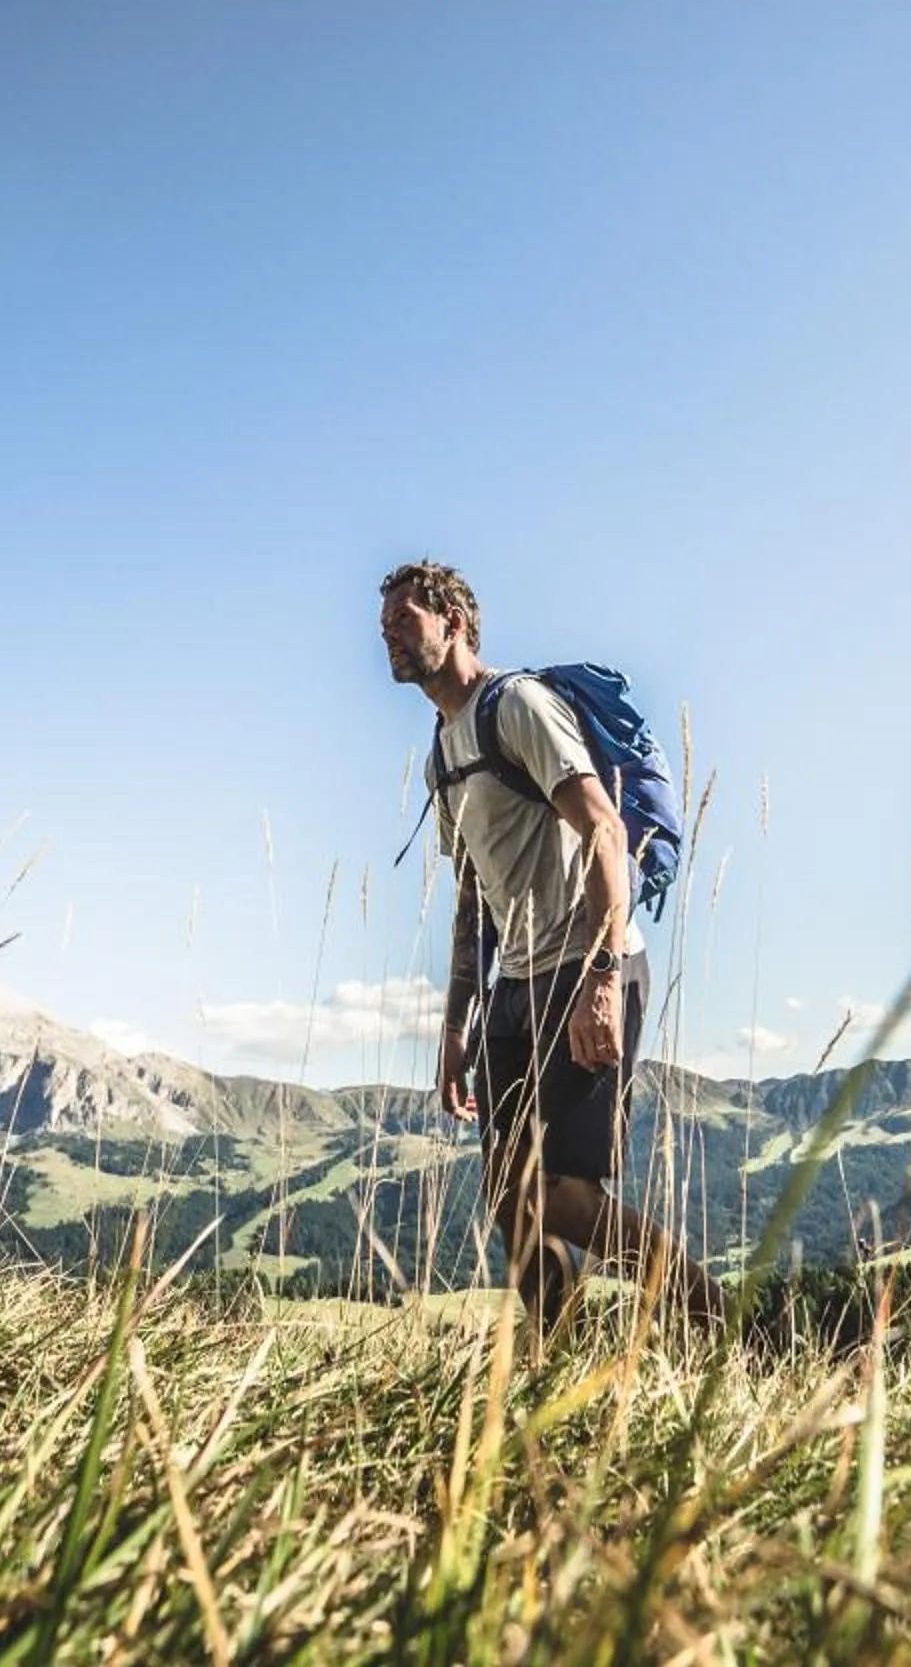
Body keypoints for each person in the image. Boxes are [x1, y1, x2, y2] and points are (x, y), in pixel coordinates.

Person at [378, 560, 724, 1337]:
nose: (390, 638)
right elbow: (473, 895)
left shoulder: (517, 706)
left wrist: (604, 973)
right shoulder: (442, 750)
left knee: (567, 1195)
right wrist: (454, 1027)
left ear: (453, 622)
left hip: (587, 963)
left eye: (404, 620)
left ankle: (726, 1321)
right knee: (507, 1187)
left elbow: (603, 825)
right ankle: (556, 1350)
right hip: (516, 979)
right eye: (385, 627)